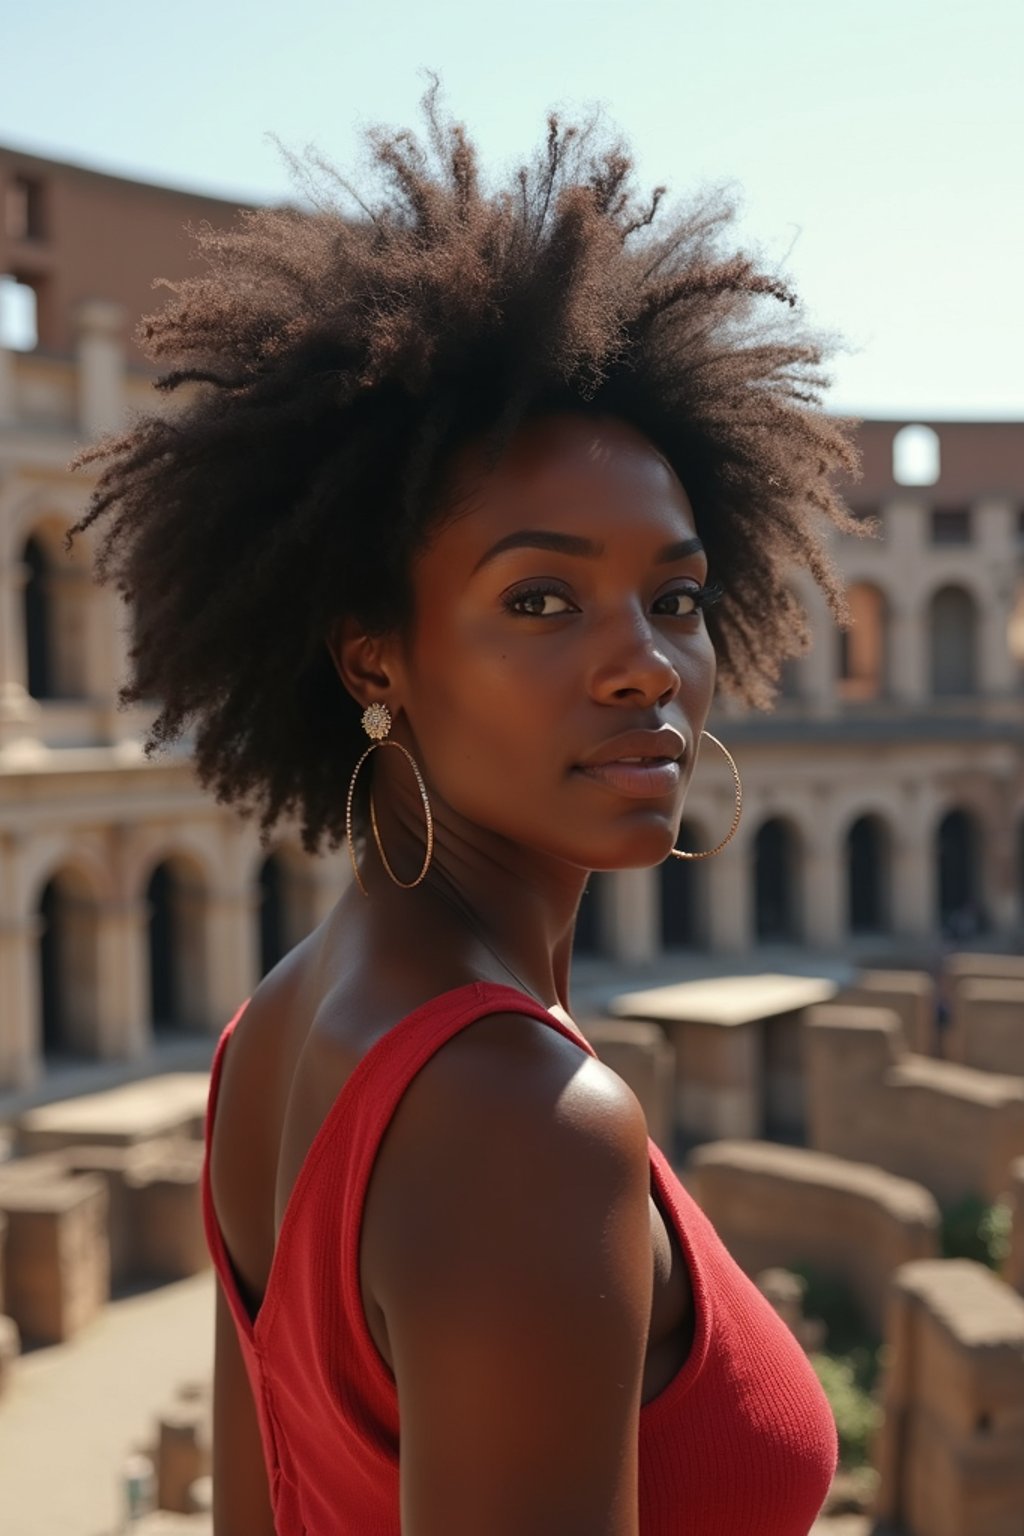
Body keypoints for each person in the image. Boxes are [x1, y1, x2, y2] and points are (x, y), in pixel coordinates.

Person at [68, 84, 864, 1536]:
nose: (648, 662)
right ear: (376, 654)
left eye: (676, 597)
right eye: (541, 597)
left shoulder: (276, 1033)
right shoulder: (524, 1126)